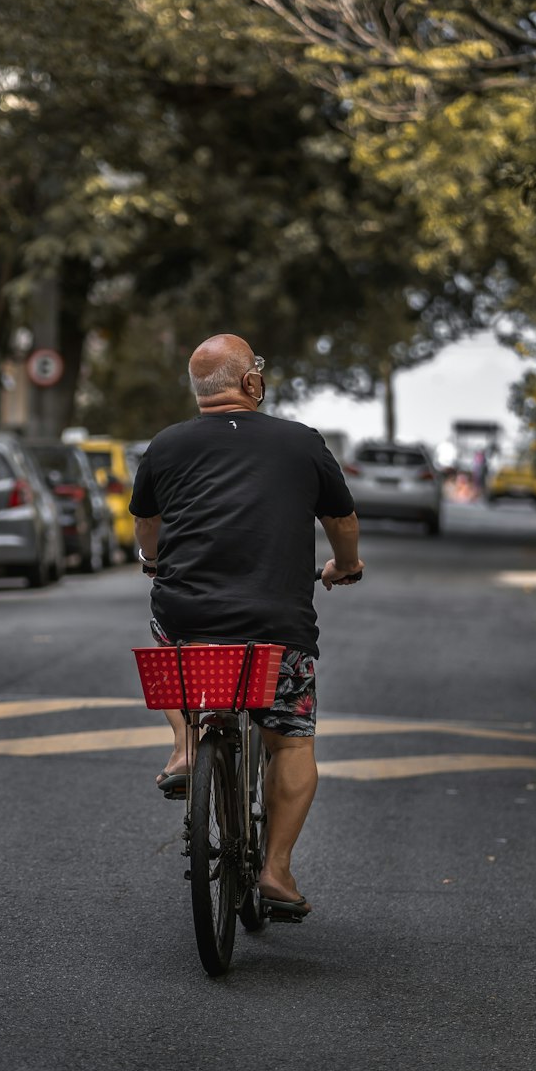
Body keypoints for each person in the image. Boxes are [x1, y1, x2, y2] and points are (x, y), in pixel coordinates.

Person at [129, 333, 363, 920]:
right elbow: (342, 518)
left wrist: (155, 565)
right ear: (251, 382)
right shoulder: (300, 442)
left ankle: (185, 748)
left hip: (189, 620)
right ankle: (277, 871)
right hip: (275, 627)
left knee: (169, 635)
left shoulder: (166, 445)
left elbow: (147, 526)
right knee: (289, 740)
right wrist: (346, 566)